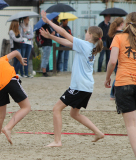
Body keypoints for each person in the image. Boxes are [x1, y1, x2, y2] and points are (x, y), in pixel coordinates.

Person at [39, 10, 105, 147]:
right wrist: (51, 37)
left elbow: (65, 34)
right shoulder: (90, 46)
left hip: (79, 86)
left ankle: (57, 141)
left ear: (90, 35)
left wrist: (48, 21)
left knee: (56, 109)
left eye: (87, 32)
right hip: (86, 87)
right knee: (74, 114)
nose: (85, 34)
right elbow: (66, 42)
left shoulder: (85, 45)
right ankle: (98, 132)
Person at [104, 12, 136, 157]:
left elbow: (112, 62)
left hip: (124, 83)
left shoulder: (119, 37)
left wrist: (107, 77)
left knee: (131, 125)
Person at [106, 17, 124, 100]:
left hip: (113, 55)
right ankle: (112, 94)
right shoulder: (122, 35)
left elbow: (108, 45)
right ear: (121, 24)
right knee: (118, 76)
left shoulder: (111, 34)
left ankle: (113, 94)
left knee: (117, 75)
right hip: (120, 57)